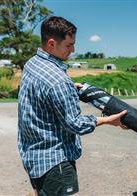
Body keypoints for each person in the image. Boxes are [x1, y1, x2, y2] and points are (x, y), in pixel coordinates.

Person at [17, 16, 127, 196]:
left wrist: (69, 88)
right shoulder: (59, 81)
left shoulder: (32, 63)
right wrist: (107, 120)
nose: (73, 50)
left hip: (33, 157)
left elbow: (42, 93)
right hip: (55, 163)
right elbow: (75, 124)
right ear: (51, 43)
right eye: (69, 45)